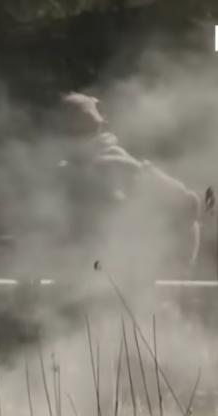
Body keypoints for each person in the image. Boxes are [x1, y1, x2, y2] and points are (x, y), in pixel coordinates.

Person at [47, 92, 200, 291]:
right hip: (78, 281)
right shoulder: (62, 173)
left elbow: (188, 206)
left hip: (125, 283)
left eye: (83, 131)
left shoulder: (118, 163)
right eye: (71, 133)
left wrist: (141, 171)